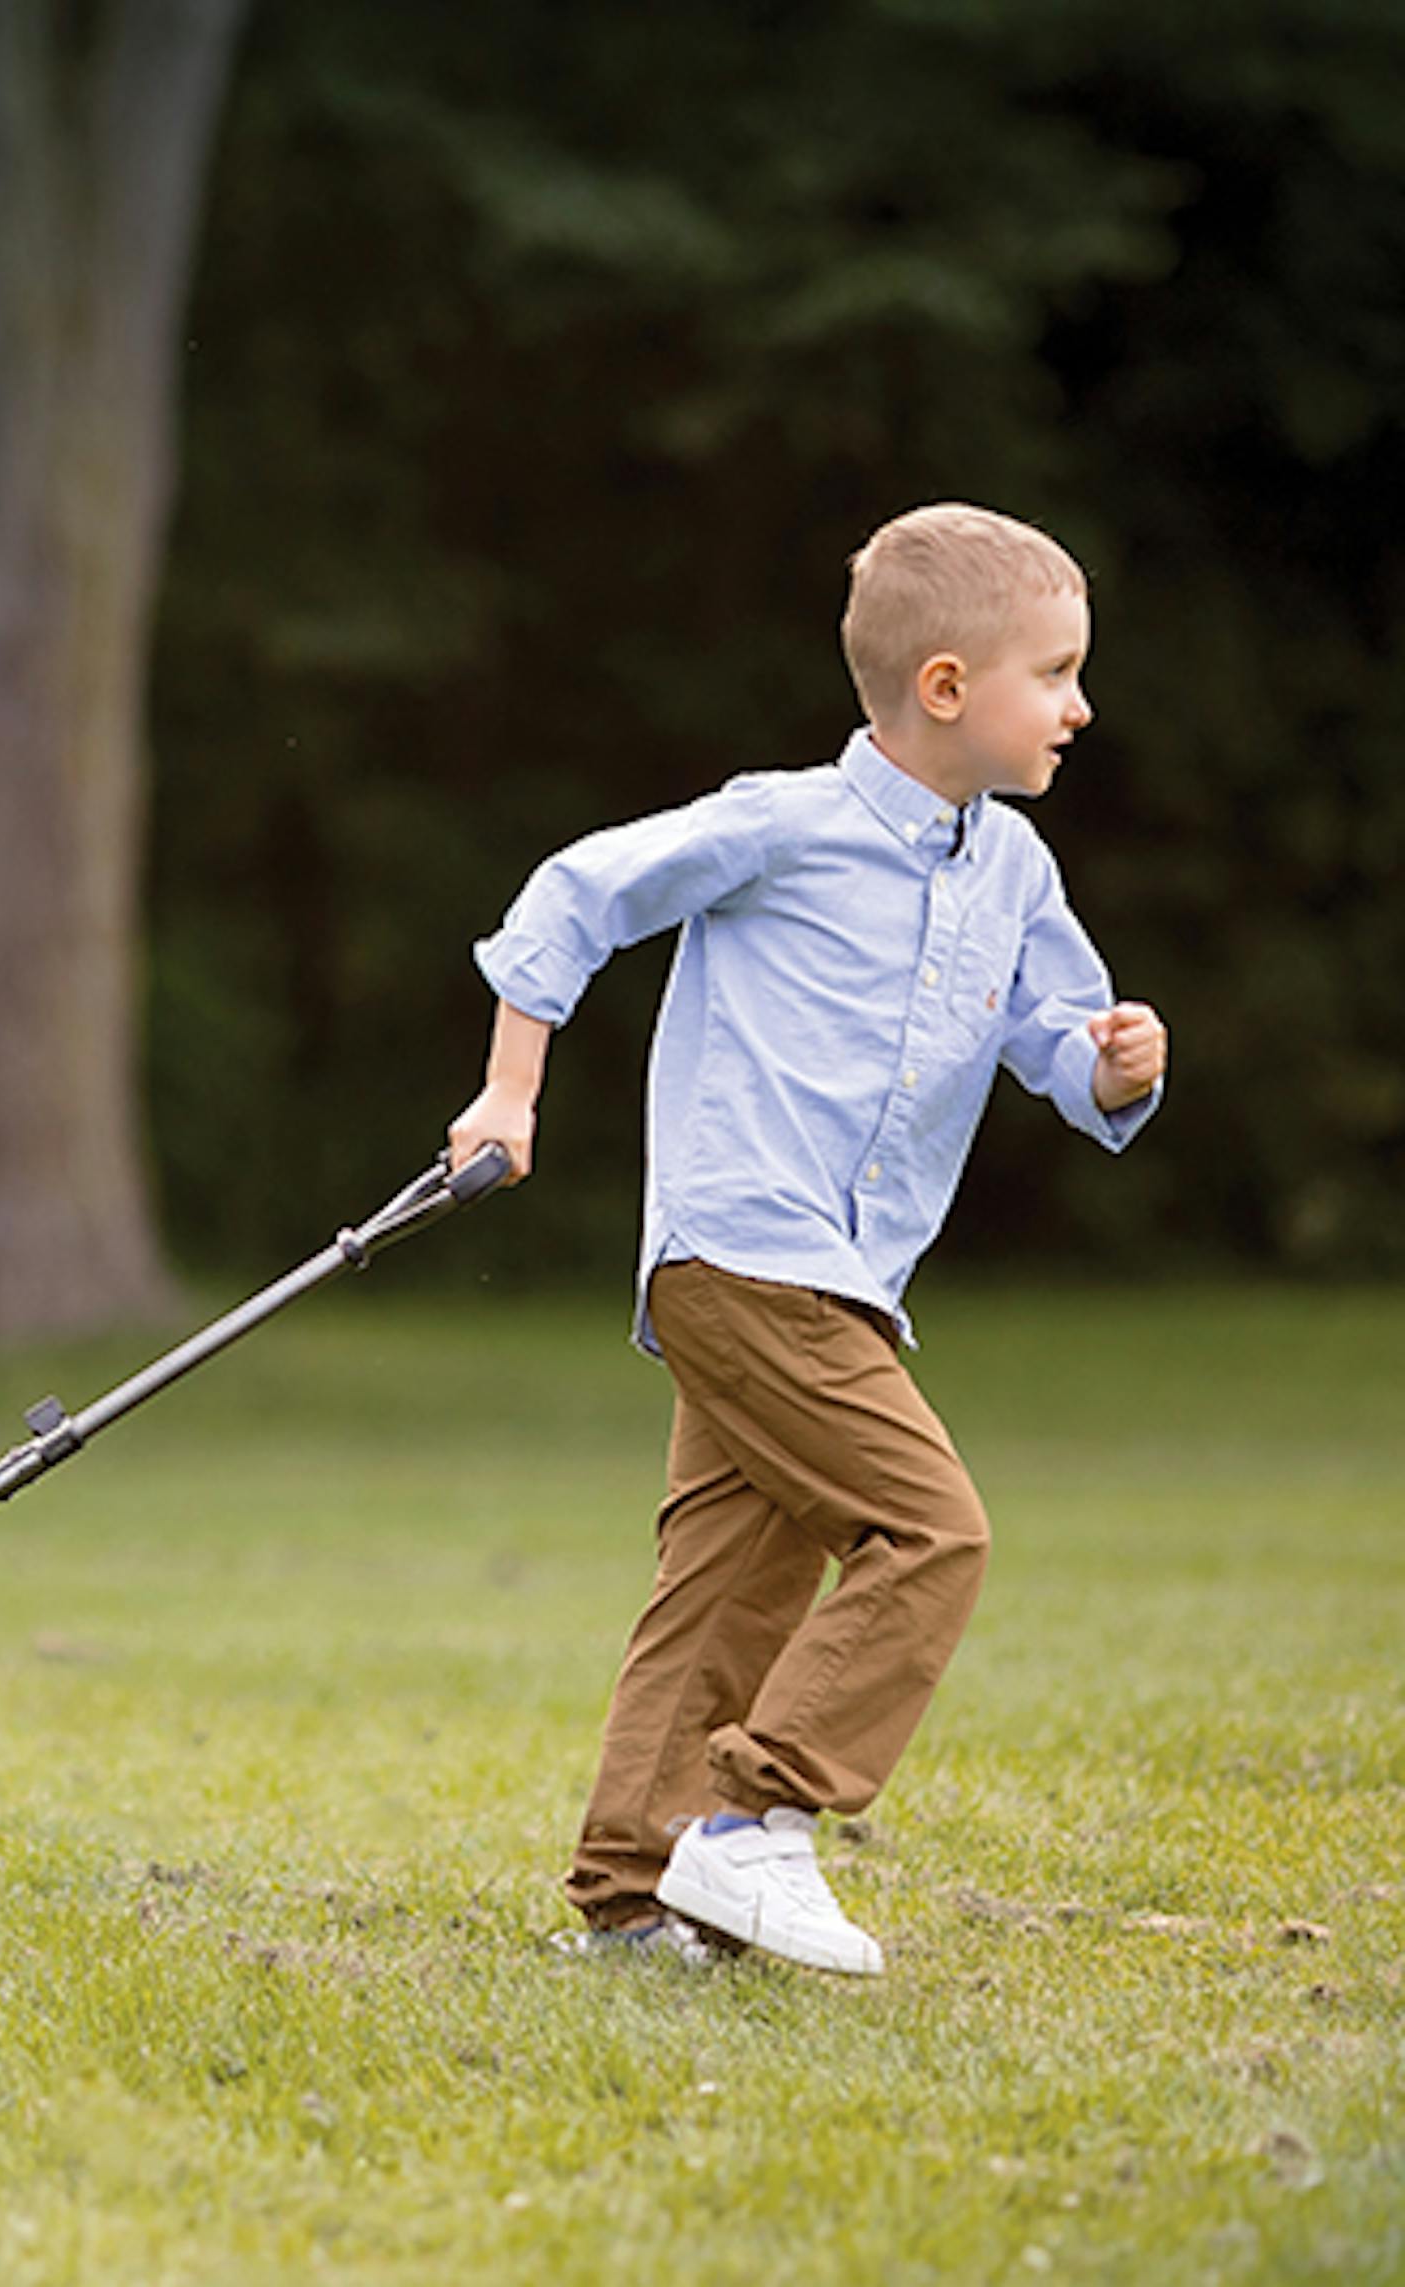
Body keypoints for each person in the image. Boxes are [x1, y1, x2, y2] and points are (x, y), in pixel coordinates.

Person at [447, 503, 1168, 1975]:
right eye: (1059, 672)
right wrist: (508, 1092)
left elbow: (1052, 1035)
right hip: (740, 1251)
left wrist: (1111, 1066)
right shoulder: (783, 825)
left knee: (732, 1576)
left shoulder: (1015, 872)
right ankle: (753, 1826)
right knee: (929, 1527)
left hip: (847, 1277)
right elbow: (575, 895)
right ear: (948, 687)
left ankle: (637, 1898)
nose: (1082, 705)